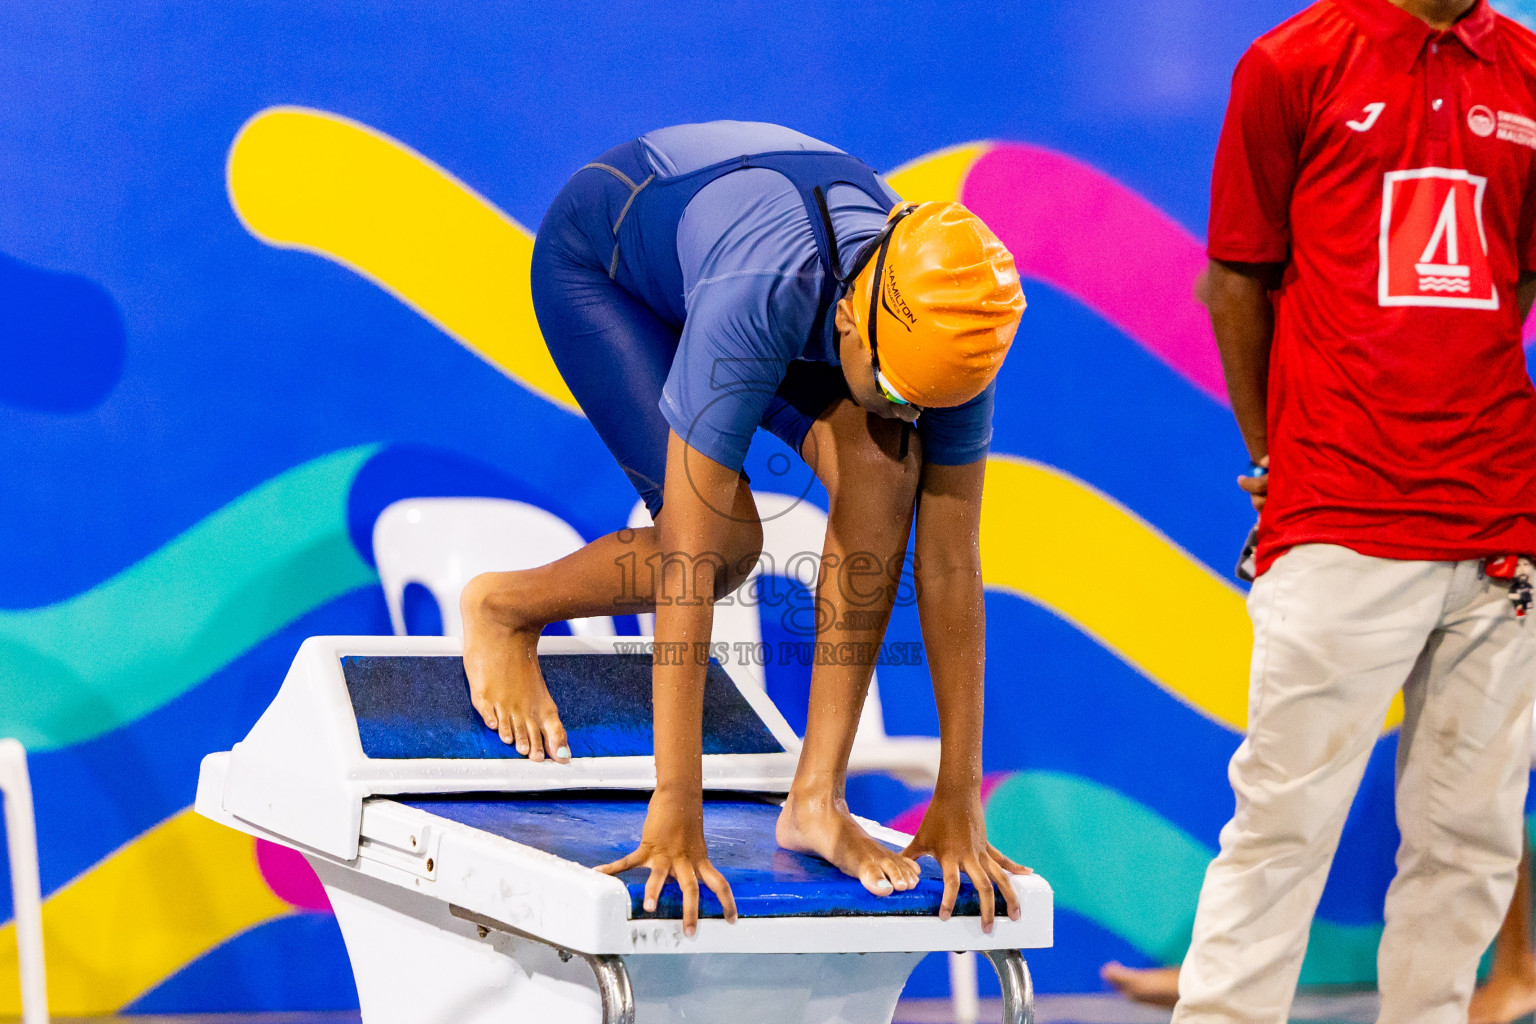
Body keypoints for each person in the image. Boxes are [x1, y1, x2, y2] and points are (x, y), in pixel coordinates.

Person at [458, 121, 1030, 935]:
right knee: (725, 545)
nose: (913, 413)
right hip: (607, 271)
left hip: (762, 270)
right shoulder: (762, 293)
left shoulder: (954, 335)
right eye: (899, 390)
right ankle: (504, 607)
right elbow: (687, 565)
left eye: (927, 401)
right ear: (853, 328)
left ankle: (817, 801)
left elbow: (949, 563)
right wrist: (675, 804)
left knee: (884, 466)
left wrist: (961, 796)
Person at [1162, 0, 1536, 1021]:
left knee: (1472, 842)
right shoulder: (1293, 62)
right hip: (1339, 512)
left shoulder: (1531, 71)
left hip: (1502, 521)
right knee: (1283, 827)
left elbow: (1518, 276)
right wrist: (1275, 456)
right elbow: (1234, 277)